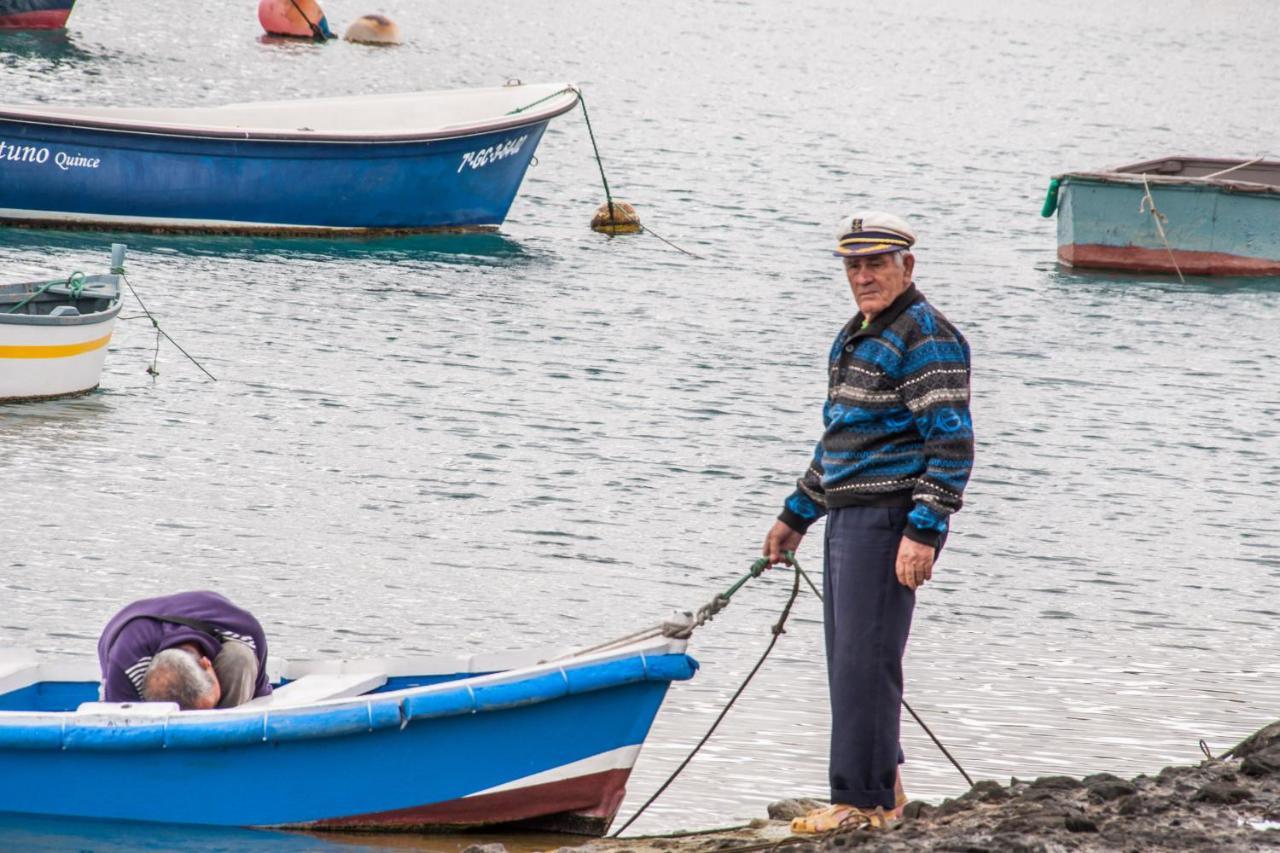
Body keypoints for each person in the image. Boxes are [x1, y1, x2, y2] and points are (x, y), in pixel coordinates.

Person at [762, 212, 974, 832]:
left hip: (888, 522)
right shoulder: (857, 333)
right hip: (845, 518)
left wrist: (924, 531)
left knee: (864, 661)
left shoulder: (926, 336)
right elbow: (840, 439)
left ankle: (860, 804)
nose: (863, 276)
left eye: (876, 263)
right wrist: (795, 515)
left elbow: (953, 447)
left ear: (907, 265)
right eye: (854, 265)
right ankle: (889, 793)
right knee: (849, 660)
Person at [97, 591, 273, 710]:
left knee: (239, 658)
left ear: (206, 663)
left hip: (218, 639)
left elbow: (261, 696)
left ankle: (224, 745)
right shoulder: (125, 664)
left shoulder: (242, 628)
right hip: (136, 664)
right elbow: (118, 724)